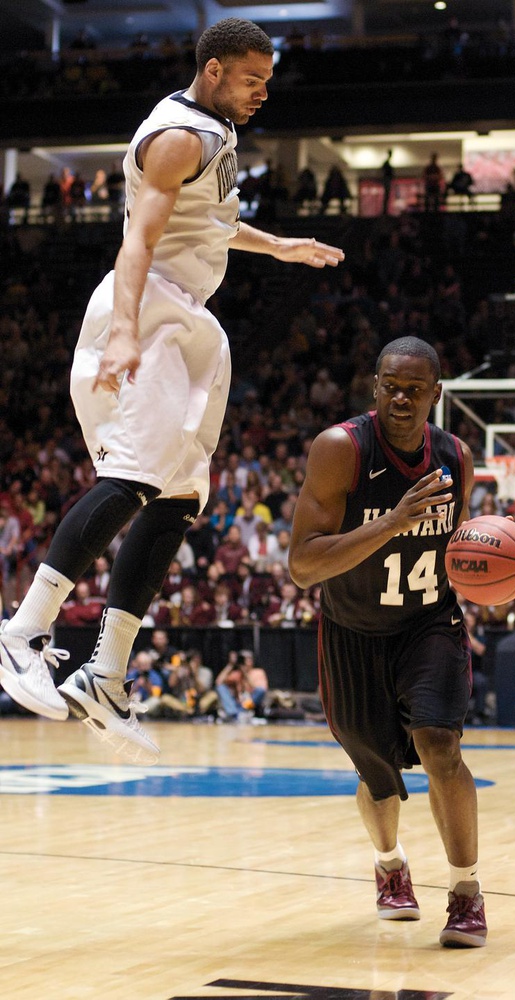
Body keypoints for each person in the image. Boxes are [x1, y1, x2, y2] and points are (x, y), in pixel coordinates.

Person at [0, 17, 344, 766]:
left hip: (189, 317)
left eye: (268, 80)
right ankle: (21, 631)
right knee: (134, 478)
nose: (262, 93)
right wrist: (125, 331)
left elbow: (210, 220)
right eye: (253, 79)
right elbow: (139, 240)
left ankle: (106, 675)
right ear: (215, 70)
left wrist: (278, 246)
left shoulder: (210, 133)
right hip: (147, 308)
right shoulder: (180, 135)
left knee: (182, 497)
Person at [289, 335, 488, 948]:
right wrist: (395, 521)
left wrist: (490, 577)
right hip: (352, 630)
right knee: (376, 773)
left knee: (440, 746)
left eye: (414, 388)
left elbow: (457, 551)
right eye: (390, 385)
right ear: (376, 387)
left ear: (436, 393)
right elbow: (302, 564)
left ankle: (465, 892)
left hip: (429, 623)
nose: (401, 397)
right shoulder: (339, 449)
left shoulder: (456, 456)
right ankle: (391, 865)